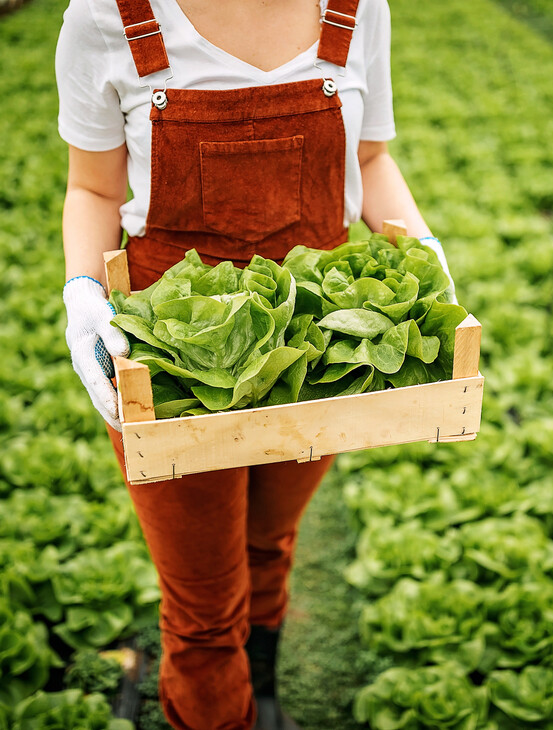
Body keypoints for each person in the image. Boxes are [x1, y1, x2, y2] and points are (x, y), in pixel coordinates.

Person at [56, 0, 456, 728]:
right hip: (176, 365)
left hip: (315, 355)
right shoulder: (110, 16)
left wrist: (424, 253)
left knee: (269, 545)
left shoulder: (358, 8)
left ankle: (261, 695)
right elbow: (93, 189)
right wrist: (83, 290)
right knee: (203, 610)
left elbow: (369, 158)